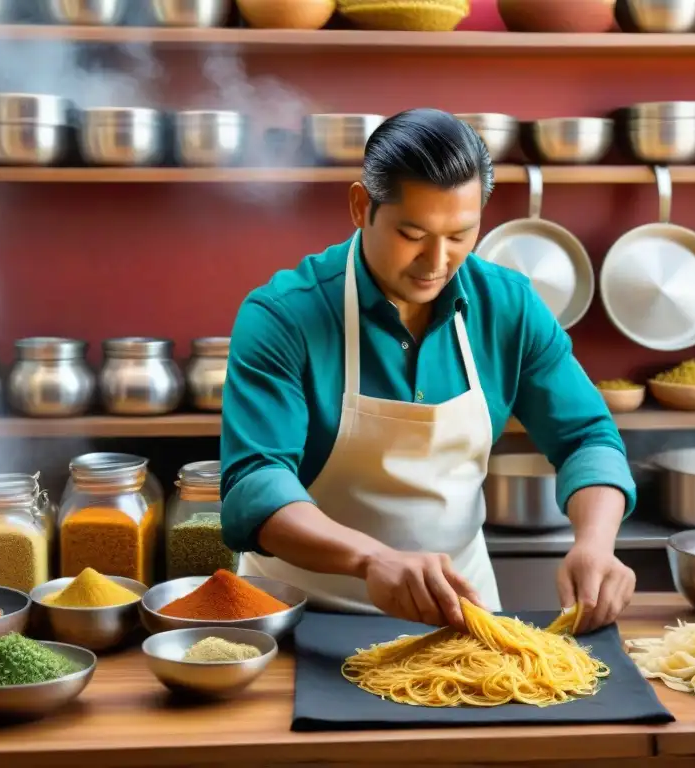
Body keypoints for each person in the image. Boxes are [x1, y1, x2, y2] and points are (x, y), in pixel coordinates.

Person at [220, 108, 636, 634]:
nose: (436, 261)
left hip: (462, 622)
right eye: (412, 233)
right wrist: (372, 559)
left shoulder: (509, 308)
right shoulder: (285, 315)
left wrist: (595, 545)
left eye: (460, 234)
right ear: (359, 206)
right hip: (298, 618)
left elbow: (587, 437)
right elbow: (255, 484)